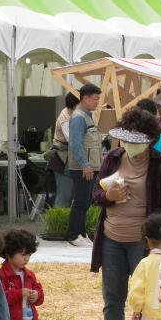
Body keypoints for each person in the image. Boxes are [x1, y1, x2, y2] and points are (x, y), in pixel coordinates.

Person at [90, 108, 161, 320]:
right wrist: (109, 197)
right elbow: (95, 193)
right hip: (112, 239)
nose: (129, 146)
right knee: (112, 299)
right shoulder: (113, 158)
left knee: (151, 302)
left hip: (144, 246)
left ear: (149, 141)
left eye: (136, 141)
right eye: (125, 140)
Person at [65, 84, 104, 246]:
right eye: (95, 99)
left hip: (89, 167)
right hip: (83, 168)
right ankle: (74, 235)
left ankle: (80, 233)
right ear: (85, 97)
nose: (97, 102)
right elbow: (75, 144)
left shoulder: (86, 116)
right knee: (81, 201)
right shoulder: (78, 117)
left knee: (86, 201)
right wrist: (85, 164)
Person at [51, 92, 79, 208]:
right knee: (64, 196)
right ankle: (58, 225)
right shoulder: (65, 119)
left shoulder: (74, 114)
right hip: (63, 160)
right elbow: (73, 141)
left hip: (71, 160)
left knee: (72, 196)